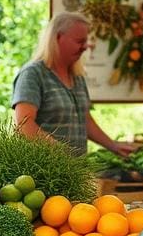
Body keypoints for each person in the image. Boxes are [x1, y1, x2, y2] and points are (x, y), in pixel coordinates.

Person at [12, 12, 136, 157]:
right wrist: (61, 152)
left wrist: (114, 146)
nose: (85, 47)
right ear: (57, 38)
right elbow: (24, 124)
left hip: (76, 171)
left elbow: (84, 120)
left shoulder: (77, 77)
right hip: (45, 171)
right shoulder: (32, 74)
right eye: (79, 41)